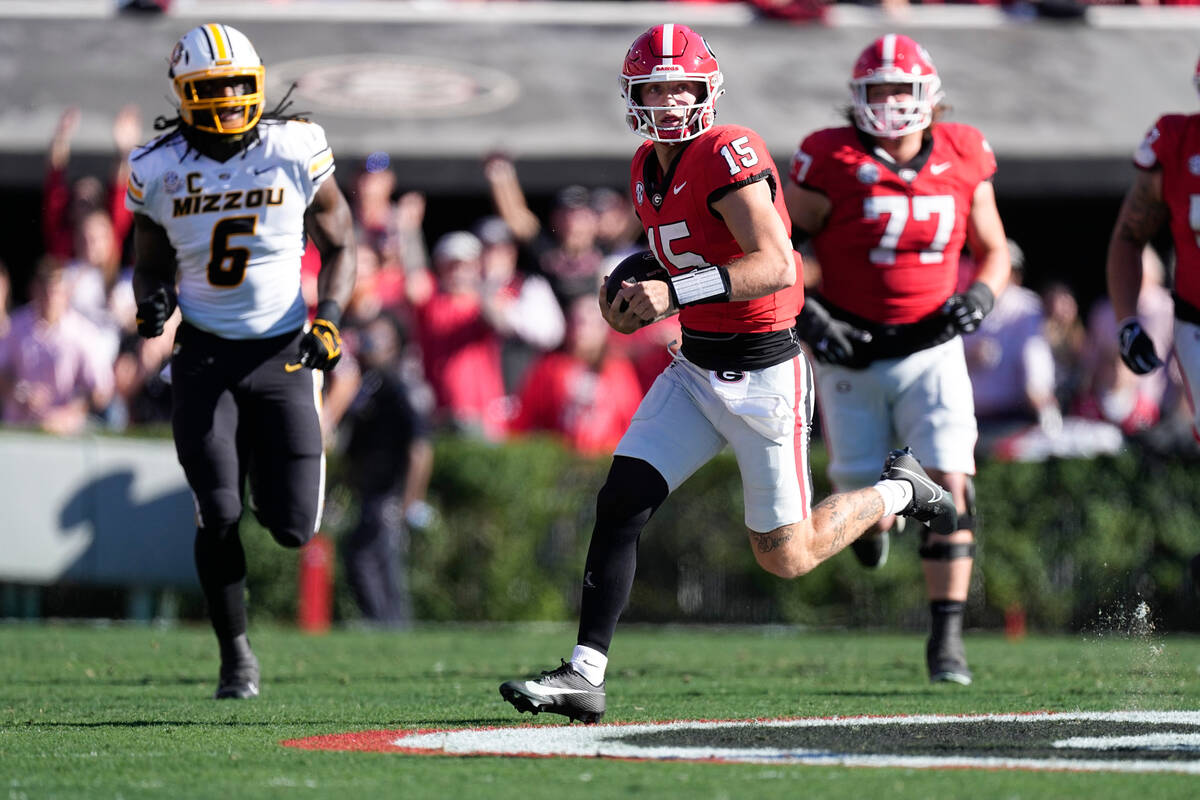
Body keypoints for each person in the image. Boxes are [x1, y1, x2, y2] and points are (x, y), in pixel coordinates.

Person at [499, 23, 956, 724]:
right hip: (695, 366)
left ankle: (899, 492)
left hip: (765, 374)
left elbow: (777, 263)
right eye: (656, 87)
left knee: (787, 555)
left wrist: (671, 294)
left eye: (681, 84)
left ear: (707, 89)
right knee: (622, 500)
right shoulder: (643, 166)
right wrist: (636, 285)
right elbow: (681, 252)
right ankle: (585, 673)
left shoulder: (726, 150)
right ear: (634, 95)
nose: (670, 98)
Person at [127, 23, 355, 699]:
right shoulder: (156, 166)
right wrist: (154, 302)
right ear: (185, 94)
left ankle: (253, 454)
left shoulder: (296, 146)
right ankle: (236, 659)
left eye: (236, 84)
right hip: (203, 355)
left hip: (283, 348)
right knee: (217, 509)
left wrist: (332, 321)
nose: (227, 98)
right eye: (210, 88)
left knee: (293, 528)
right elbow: (148, 264)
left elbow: (343, 246)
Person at [783, 34, 1012, 685]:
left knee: (950, 482)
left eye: (899, 91)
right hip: (850, 346)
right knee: (859, 494)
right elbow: (778, 249)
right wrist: (809, 313)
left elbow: (994, 250)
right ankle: (877, 521)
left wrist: (982, 296)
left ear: (929, 98)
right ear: (856, 99)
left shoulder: (965, 150)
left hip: (931, 344)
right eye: (875, 92)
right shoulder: (830, 156)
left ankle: (946, 641)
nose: (887, 104)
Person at [338, 313, 432, 627]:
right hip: (371, 490)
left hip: (388, 492)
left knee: (371, 559)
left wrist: (410, 501)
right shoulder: (370, 383)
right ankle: (383, 622)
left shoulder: (398, 386)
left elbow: (420, 449)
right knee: (367, 557)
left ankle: (386, 623)